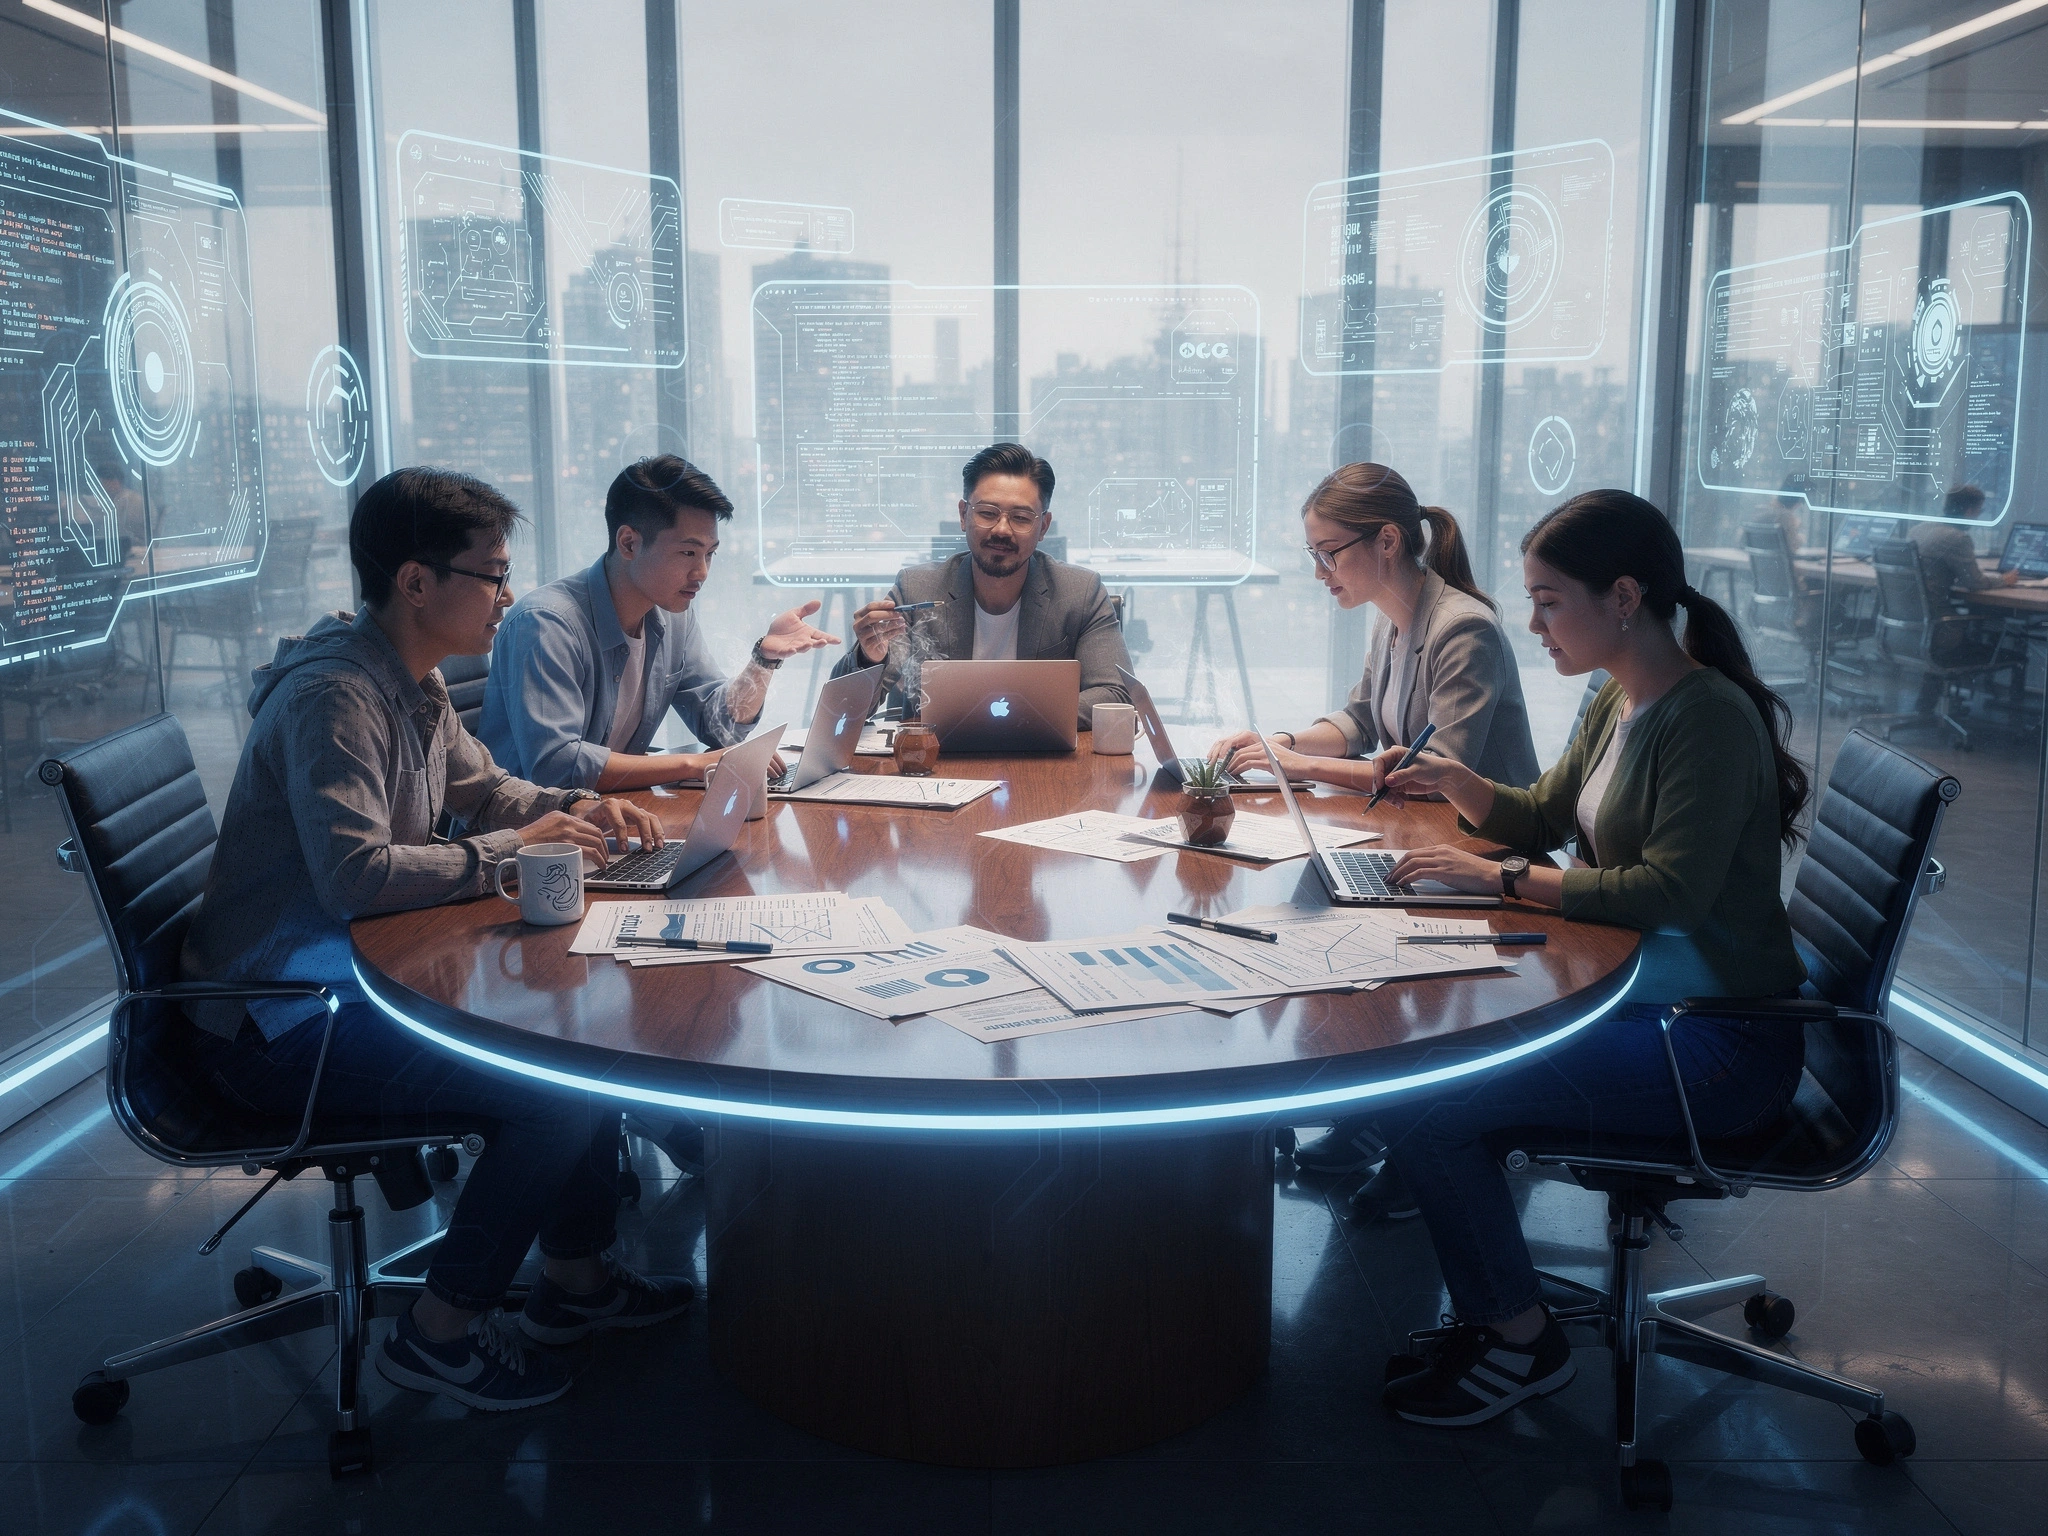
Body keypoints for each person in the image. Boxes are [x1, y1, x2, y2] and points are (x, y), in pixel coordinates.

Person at [181, 467, 697, 1411]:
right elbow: (355, 877)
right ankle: (439, 1332)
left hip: (354, 981)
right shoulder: (334, 697)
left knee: (572, 1040)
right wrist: (513, 850)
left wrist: (581, 808)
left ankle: (574, 1285)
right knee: (553, 1085)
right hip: (279, 1020)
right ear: (417, 582)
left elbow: (490, 790)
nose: (507, 596)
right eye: (491, 576)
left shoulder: (406, 680)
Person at [1359, 488, 1811, 1428]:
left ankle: (1521, 1343)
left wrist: (1512, 881)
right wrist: (1460, 784)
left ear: (1624, 597)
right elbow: (1547, 815)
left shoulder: (1708, 718)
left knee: (1432, 1102)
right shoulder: (1618, 696)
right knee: (1433, 1076)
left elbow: (1666, 892)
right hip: (1647, 1004)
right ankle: (1501, 1311)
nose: (1531, 623)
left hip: (1720, 1046)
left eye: (1548, 600)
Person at [1207, 463, 1538, 1212]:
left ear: (1387, 540)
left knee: (1329, 921)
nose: (1321, 572)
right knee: (1310, 904)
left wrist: (1292, 764)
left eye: (1330, 553)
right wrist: (1282, 740)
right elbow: (1359, 723)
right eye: (1313, 556)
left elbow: (1431, 770)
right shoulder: (1397, 617)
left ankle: (1414, 1133)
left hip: (1485, 856)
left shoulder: (1463, 629)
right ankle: (1373, 1115)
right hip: (1424, 842)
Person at [480, 455, 839, 791]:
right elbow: (557, 767)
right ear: (629, 543)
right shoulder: (546, 624)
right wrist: (692, 765)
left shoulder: (671, 613)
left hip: (608, 820)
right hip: (533, 843)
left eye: (709, 554)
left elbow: (720, 727)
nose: (701, 573)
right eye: (687, 552)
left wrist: (764, 660)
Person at [830, 442, 1132, 729]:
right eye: (987, 513)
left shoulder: (1080, 592)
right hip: (939, 766)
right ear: (964, 515)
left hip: (1042, 761)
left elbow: (1115, 696)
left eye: (1021, 518)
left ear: (1043, 526)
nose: (1002, 530)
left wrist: (1014, 717)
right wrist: (868, 657)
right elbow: (845, 710)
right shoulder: (917, 588)